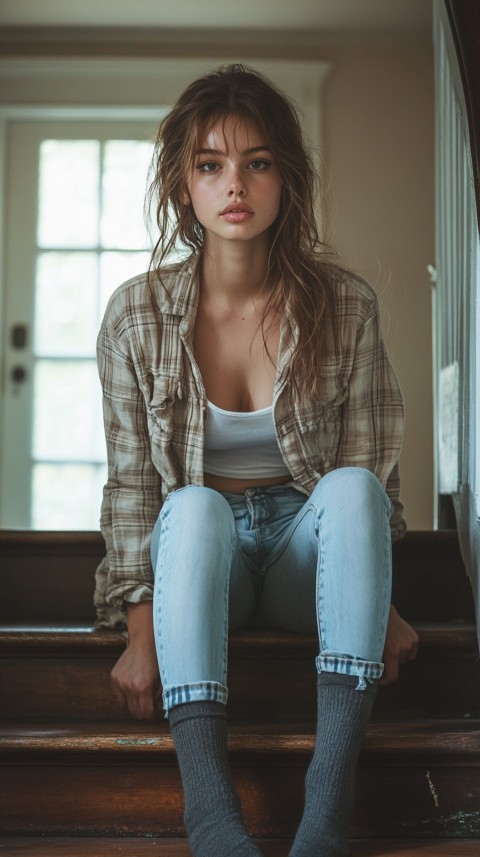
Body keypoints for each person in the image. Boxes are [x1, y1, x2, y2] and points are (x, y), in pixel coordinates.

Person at [95, 64, 419, 857]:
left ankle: (328, 814)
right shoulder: (136, 315)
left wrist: (380, 603)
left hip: (303, 558)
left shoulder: (345, 304)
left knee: (348, 486)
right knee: (195, 504)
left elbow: (372, 473)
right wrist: (142, 631)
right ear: (184, 186)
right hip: (205, 564)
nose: (234, 183)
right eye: (210, 164)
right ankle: (210, 816)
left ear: (286, 179)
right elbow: (135, 486)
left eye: (258, 161)